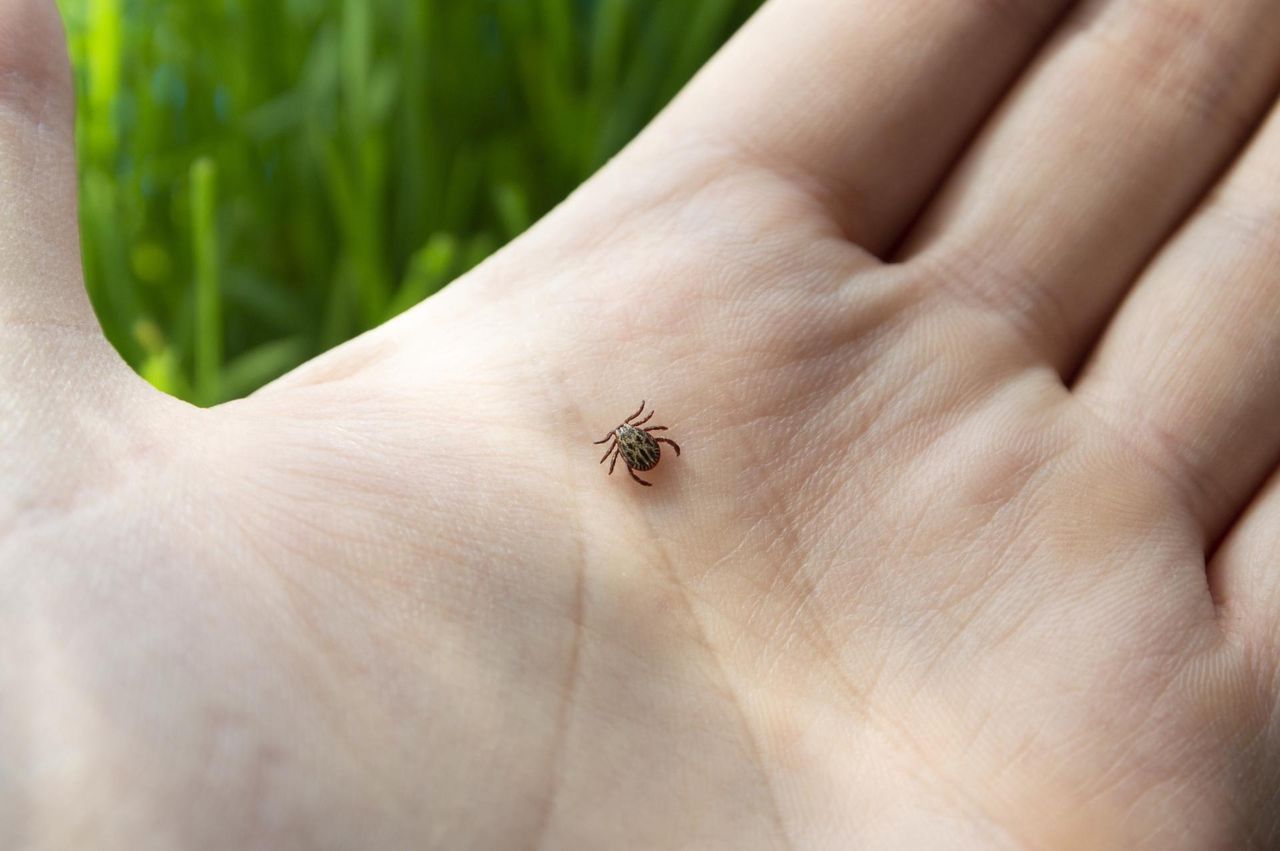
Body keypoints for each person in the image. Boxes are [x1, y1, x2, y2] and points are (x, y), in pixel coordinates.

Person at [5, 0, 1280, 847]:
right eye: (630, 447)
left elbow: (644, 448)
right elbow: (647, 449)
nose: (631, 451)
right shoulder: (636, 448)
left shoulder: (630, 446)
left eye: (630, 445)